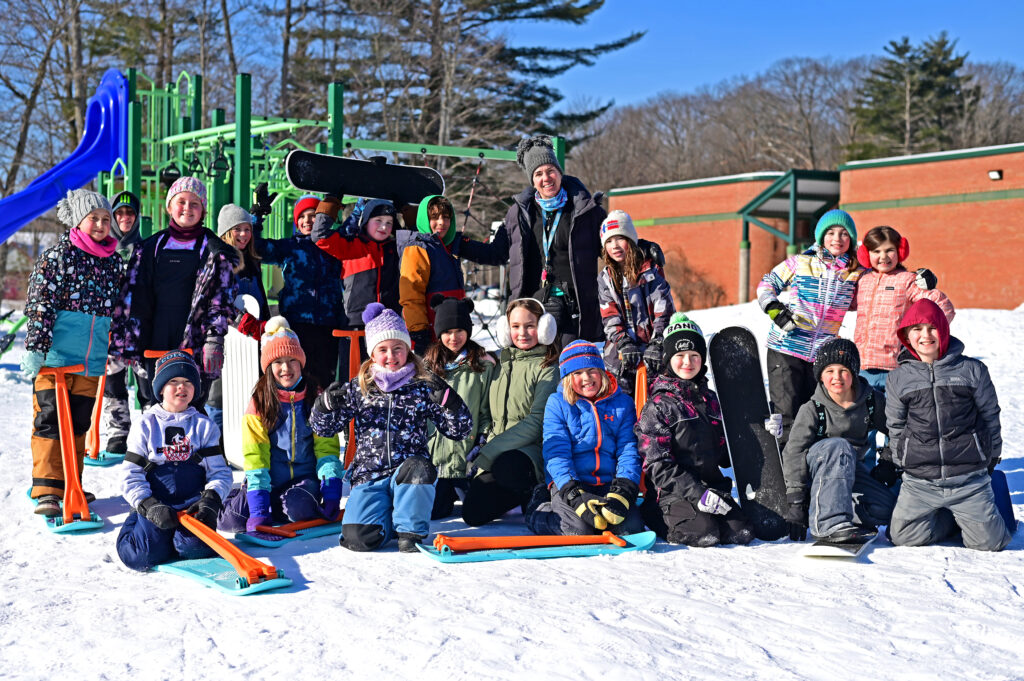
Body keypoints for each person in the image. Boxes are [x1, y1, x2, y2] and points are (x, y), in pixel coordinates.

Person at [310, 303, 472, 553]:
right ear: (372, 354)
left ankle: (409, 530)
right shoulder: (360, 388)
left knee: (419, 468)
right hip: (369, 475)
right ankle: (386, 518)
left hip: (409, 473)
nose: (391, 356)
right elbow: (324, 429)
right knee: (358, 539)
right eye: (383, 349)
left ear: (408, 349)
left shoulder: (422, 387)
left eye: (398, 348)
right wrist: (324, 406)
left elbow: (458, 431)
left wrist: (451, 403)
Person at [23, 189, 126, 516]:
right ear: (78, 221)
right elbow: (40, 304)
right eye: (93, 218)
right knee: (50, 421)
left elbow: (121, 309)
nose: (101, 225)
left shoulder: (113, 262)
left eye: (106, 219)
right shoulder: (58, 257)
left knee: (79, 423)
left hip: (90, 360)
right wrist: (37, 347)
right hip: (55, 358)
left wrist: (119, 344)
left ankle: (72, 484)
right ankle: (47, 489)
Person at [883, 299, 1010, 551]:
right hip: (921, 482)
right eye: (917, 329)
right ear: (906, 336)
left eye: (932, 328)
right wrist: (902, 459)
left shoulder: (972, 370)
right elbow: (896, 426)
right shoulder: (898, 378)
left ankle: (971, 519)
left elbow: (990, 416)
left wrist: (992, 454)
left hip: (967, 479)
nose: (925, 335)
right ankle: (952, 522)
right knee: (903, 537)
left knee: (990, 543)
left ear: (943, 330)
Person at [109, 177, 237, 409]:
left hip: (195, 339)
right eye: (181, 202)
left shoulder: (215, 251)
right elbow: (132, 296)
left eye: (195, 203)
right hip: (155, 336)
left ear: (203, 210)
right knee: (155, 404)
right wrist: (126, 339)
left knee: (191, 404)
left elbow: (221, 299)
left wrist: (214, 337)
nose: (187, 208)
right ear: (169, 207)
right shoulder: (149, 248)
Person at [635, 313, 754, 546]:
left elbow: (725, 454)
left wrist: (759, 431)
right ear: (668, 359)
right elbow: (657, 465)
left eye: (694, 355)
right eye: (680, 356)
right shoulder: (658, 406)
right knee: (705, 533)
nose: (687, 362)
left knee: (741, 532)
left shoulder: (711, 400)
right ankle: (653, 515)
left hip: (711, 488)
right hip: (673, 493)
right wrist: (697, 493)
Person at [217, 317, 343, 533]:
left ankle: (278, 507)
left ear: (301, 362)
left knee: (299, 509)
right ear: (268, 367)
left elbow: (327, 450)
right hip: (268, 480)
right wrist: (257, 508)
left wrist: (331, 493)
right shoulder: (259, 403)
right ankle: (254, 501)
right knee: (232, 522)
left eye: (292, 360)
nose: (286, 368)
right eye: (277, 362)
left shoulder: (316, 398)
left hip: (303, 481)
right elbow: (255, 457)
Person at [481, 135, 606, 345]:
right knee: (537, 361)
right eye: (538, 174)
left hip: (575, 310)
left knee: (569, 358)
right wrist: (456, 243)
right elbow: (496, 253)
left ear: (559, 173)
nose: (546, 178)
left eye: (550, 171)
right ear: (532, 180)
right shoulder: (519, 214)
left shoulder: (585, 210)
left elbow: (613, 244)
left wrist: (643, 248)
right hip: (532, 308)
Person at [115, 350, 232, 571]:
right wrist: (147, 505)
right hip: (156, 503)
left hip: (192, 506)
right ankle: (138, 522)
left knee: (196, 550)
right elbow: (130, 474)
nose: (182, 387)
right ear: (160, 388)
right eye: (174, 381)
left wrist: (211, 500)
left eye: (188, 382)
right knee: (140, 556)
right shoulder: (146, 425)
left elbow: (220, 472)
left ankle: (176, 540)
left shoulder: (204, 426)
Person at [757, 209, 863, 445]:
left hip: (822, 355)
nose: (837, 238)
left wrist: (915, 277)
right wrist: (776, 311)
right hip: (786, 346)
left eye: (844, 233)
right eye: (831, 232)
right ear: (821, 236)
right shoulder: (801, 262)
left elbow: (882, 283)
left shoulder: (855, 273)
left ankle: (809, 462)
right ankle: (784, 463)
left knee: (813, 416)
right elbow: (767, 284)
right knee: (786, 414)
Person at [780, 338, 897, 544]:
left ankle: (835, 510)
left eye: (843, 370)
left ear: (854, 372)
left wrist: (888, 459)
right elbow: (794, 452)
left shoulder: (871, 401)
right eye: (829, 371)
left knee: (885, 509)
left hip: (850, 469)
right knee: (840, 446)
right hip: (817, 470)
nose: (837, 377)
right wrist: (796, 501)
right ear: (820, 376)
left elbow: (898, 430)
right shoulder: (812, 409)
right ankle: (828, 524)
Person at [853, 225, 953, 464]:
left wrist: (930, 288)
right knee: (863, 424)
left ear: (900, 251)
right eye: (876, 251)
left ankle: (894, 469)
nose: (883, 257)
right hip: (863, 368)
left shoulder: (907, 281)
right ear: (867, 254)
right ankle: (864, 473)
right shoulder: (863, 280)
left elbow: (943, 310)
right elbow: (839, 303)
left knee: (895, 424)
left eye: (889, 250)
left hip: (895, 370)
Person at [526, 340, 644, 536]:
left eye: (591, 370)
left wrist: (623, 489)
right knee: (578, 531)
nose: (586, 378)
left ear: (602, 371)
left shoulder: (623, 403)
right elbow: (556, 452)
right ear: (567, 377)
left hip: (608, 483)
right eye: (577, 373)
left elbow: (628, 448)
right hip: (571, 482)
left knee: (629, 528)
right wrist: (574, 494)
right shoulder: (557, 403)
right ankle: (538, 510)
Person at [460, 298, 560, 527]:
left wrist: (490, 451)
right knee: (473, 513)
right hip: (497, 451)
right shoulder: (498, 364)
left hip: (529, 451)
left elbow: (536, 422)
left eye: (529, 326)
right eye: (515, 326)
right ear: (506, 329)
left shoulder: (547, 368)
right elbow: (485, 410)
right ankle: (521, 496)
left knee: (507, 467)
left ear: (543, 328)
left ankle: (536, 489)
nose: (522, 333)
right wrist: (483, 441)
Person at [252, 189, 345, 390]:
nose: (307, 221)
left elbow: (355, 231)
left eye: (313, 215)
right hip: (296, 323)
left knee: (325, 377)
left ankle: (322, 409)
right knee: (299, 375)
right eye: (301, 217)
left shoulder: (334, 245)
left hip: (328, 323)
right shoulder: (290, 247)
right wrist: (257, 216)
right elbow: (256, 248)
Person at [421, 295, 496, 519]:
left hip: (468, 460)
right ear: (439, 333)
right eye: (447, 332)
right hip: (438, 463)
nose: (453, 338)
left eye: (459, 331)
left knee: (478, 512)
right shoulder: (426, 369)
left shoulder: (482, 367)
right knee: (433, 512)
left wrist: (482, 441)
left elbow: (487, 411)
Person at [312, 195, 401, 378]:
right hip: (355, 324)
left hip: (388, 325)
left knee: (386, 377)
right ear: (366, 222)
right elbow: (320, 236)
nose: (384, 227)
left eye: (389, 222)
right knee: (353, 377)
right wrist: (332, 200)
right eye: (378, 221)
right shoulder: (351, 246)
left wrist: (406, 207)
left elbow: (417, 239)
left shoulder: (396, 249)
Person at [596, 209, 674, 396]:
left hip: (652, 348)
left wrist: (658, 342)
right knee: (620, 397)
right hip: (621, 352)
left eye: (620, 238)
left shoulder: (651, 272)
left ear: (630, 240)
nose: (615, 246)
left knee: (659, 396)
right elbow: (609, 316)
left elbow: (664, 310)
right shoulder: (605, 278)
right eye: (609, 241)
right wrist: (623, 343)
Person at [101, 190, 144, 456]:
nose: (125, 217)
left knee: (147, 382)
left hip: (140, 328)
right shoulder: (104, 249)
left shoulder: (147, 249)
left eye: (130, 213)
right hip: (112, 328)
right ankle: (117, 431)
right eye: (120, 213)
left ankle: (150, 431)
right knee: (112, 382)